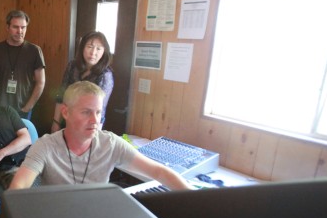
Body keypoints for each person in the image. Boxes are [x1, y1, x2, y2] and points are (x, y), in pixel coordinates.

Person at [10, 81, 192, 191]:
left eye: (98, 112)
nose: (94, 120)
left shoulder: (111, 143)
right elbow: (18, 187)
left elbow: (158, 171)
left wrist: (197, 199)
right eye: (86, 112)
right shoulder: (46, 146)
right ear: (65, 112)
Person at [0, 10, 46, 119]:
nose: (20, 31)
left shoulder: (35, 51)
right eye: (15, 27)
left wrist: (28, 108)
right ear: (7, 27)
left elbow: (41, 82)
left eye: (23, 27)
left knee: (23, 136)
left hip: (22, 109)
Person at [51, 31, 114, 133]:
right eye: (90, 46)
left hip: (87, 125)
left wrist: (94, 134)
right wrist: (56, 122)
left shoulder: (105, 76)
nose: (93, 53)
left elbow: (100, 110)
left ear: (104, 52)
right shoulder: (72, 66)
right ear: (82, 48)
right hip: (66, 119)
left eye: (98, 49)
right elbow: (60, 96)